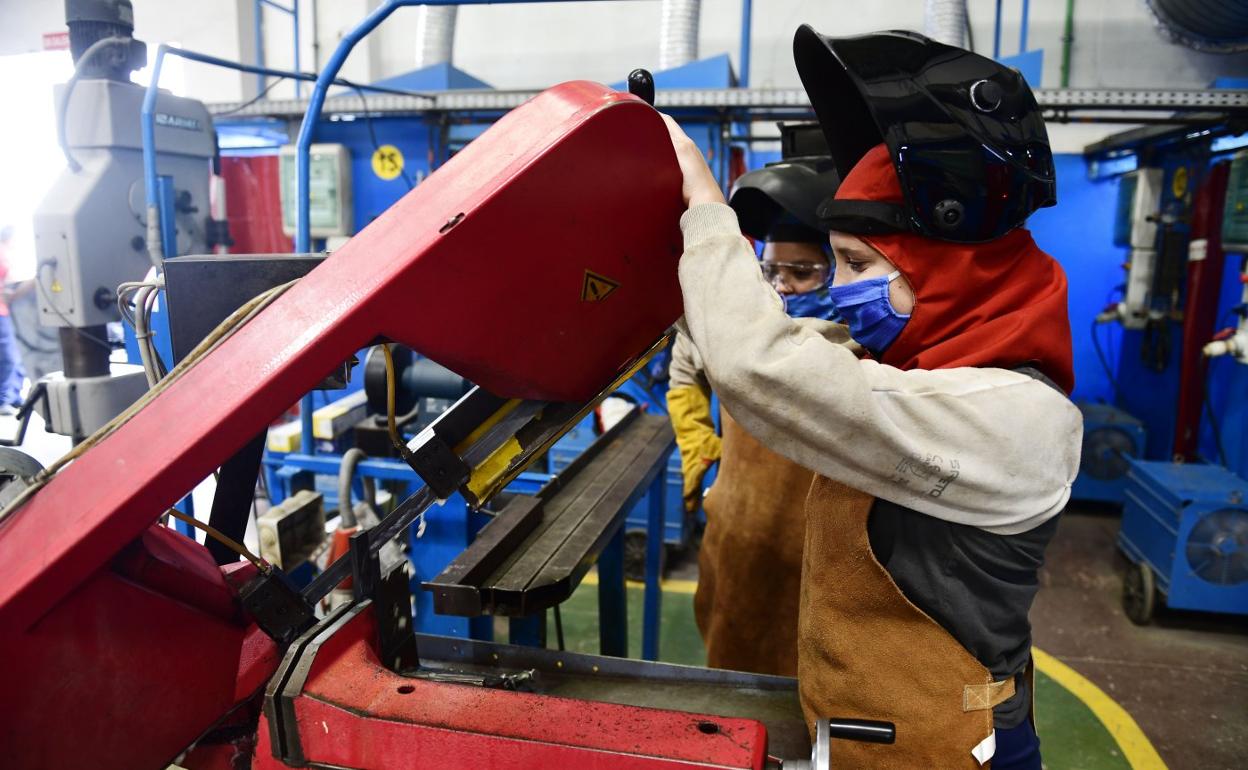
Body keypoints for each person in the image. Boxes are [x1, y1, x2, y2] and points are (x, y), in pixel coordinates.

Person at [661, 26, 1081, 770]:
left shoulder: (1017, 417)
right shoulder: (930, 369)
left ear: (943, 268)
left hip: (950, 750)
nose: (841, 289)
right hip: (867, 737)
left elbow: (761, 368)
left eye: (855, 264)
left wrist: (702, 200)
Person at [668, 127, 840, 676]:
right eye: (771, 271)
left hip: (819, 564)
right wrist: (700, 450)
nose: (783, 285)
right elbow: (682, 372)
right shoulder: (735, 325)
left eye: (803, 271)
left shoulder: (855, 352)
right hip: (736, 546)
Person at [0, 227, 25, 413]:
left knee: (15, 354)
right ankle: (4, 398)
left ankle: (13, 395)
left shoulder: (6, 253)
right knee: (7, 356)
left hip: (5, 310)